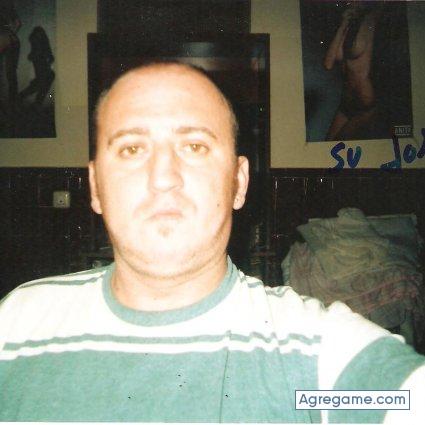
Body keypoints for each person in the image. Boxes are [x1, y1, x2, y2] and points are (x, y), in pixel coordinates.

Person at [0, 62, 424, 423]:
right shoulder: (17, 325)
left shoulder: (317, 354)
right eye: (131, 149)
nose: (163, 177)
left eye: (194, 146)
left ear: (239, 181)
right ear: (95, 186)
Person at [324, 2, 383, 141]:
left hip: (364, 102)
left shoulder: (371, 19)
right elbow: (328, 64)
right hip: (346, 101)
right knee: (327, 145)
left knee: (338, 144)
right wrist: (343, 23)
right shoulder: (349, 25)